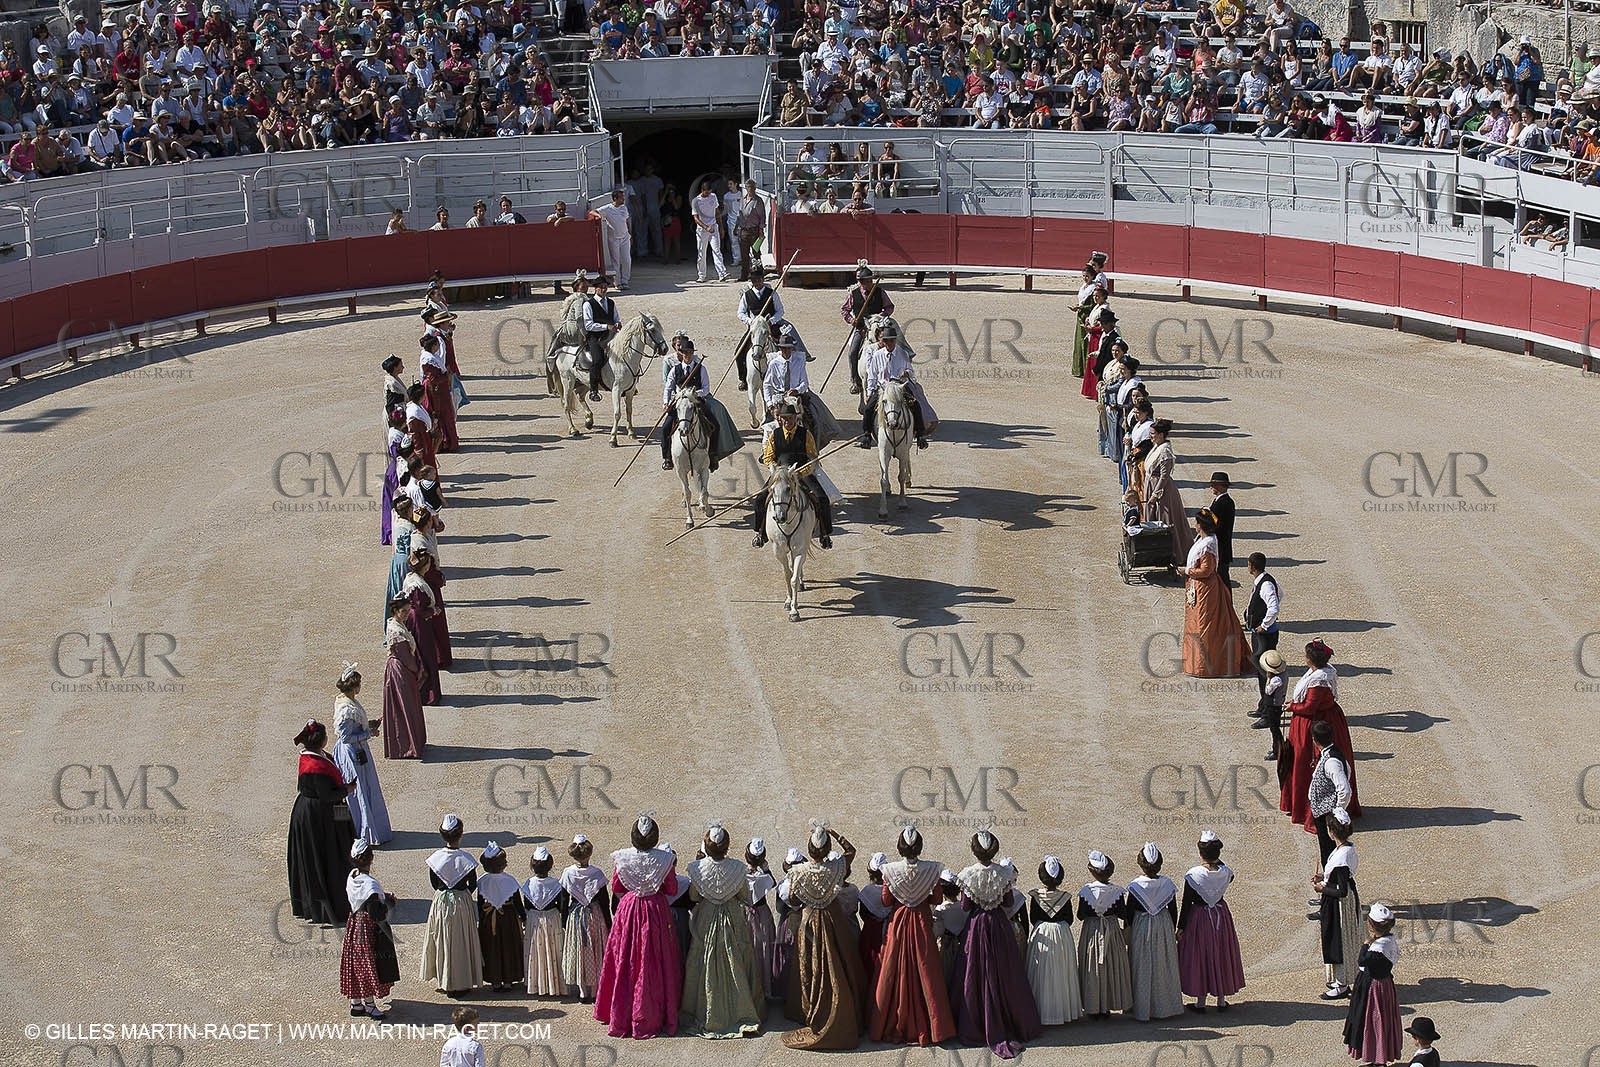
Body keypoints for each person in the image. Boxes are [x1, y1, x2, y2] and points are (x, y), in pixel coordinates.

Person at [595, 814, 684, 1039]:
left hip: (630, 908)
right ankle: (653, 1013)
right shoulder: (665, 859)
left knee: (625, 957)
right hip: (655, 909)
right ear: (655, 838)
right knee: (655, 960)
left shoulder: (623, 858)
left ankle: (621, 1013)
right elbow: (672, 888)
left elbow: (617, 885)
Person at [953, 832, 1041, 1059]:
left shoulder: (967, 874)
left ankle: (977, 1023)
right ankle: (1011, 1019)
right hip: (999, 926)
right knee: (1005, 973)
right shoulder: (1004, 873)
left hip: (977, 926)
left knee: (976, 973)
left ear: (975, 851)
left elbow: (964, 906)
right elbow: (1009, 901)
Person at [870, 826, 956, 1046]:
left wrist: (904, 897)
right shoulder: (932, 869)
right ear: (919, 846)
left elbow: (886, 901)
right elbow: (937, 898)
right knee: (926, 969)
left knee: (894, 968)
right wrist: (920, 897)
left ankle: (889, 1021)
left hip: (899, 921)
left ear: (900, 847)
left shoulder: (889, 870)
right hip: (921, 920)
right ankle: (932, 1025)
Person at [782, 824, 865, 1050]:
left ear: (809, 849)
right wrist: (835, 833)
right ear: (828, 849)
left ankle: (811, 1010)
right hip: (833, 918)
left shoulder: (798, 872)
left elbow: (793, 898)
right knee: (839, 960)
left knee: (809, 964)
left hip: (809, 920)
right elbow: (851, 852)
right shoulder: (837, 866)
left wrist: (811, 897)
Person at [681, 822, 765, 1038]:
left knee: (703, 960)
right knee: (734, 957)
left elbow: (693, 896)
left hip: (707, 917)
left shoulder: (697, 868)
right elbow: (744, 896)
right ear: (726, 846)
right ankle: (740, 1007)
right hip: (731, 917)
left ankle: (704, 1010)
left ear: (707, 848)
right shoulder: (738, 868)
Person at [1280, 639, 1362, 832]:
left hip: (1314, 723)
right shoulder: (1321, 672)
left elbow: (1310, 707)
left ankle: (1309, 809)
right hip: (1325, 718)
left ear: (1310, 659)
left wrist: (1292, 706)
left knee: (1306, 762)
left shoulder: (1320, 681)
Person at [288, 719, 355, 925]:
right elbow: (326, 794)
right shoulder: (313, 765)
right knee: (327, 856)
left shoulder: (317, 757)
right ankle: (328, 907)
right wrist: (347, 789)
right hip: (318, 816)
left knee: (336, 852)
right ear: (322, 741)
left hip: (324, 811)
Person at [1179, 510, 1254, 678]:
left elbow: (1207, 570)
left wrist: (1186, 571)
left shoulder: (1208, 545)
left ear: (1200, 525)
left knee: (1205, 626)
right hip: (1199, 587)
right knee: (1197, 624)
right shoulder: (1204, 540)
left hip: (1206, 590)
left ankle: (1206, 665)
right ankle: (1197, 663)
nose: (1195, 524)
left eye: (1196, 522)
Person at [751, 397, 833, 549]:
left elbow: (813, 457)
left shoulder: (805, 434)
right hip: (780, 474)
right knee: (760, 499)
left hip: (802, 473)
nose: (787, 421)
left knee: (822, 498)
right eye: (784, 418)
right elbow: (768, 457)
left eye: (790, 418)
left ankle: (825, 534)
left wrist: (800, 473)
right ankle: (760, 533)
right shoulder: (774, 435)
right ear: (780, 420)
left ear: (795, 418)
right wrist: (776, 471)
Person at [1177, 831, 1245, 1014]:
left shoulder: (1193, 875)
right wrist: (1216, 860)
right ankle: (1221, 1000)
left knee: (1201, 955)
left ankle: (1200, 1002)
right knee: (1221, 952)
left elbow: (1186, 903)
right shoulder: (1225, 873)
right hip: (1220, 916)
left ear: (1200, 853)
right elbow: (1228, 873)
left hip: (1199, 918)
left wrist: (1180, 927)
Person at [421, 814, 484, 997]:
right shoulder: (467, 859)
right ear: (461, 835)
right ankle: (461, 981)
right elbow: (472, 884)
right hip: (461, 902)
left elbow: (434, 883)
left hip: (441, 902)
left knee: (443, 939)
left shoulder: (435, 859)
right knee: (461, 941)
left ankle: (445, 979)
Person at [331, 664, 390, 846]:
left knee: (364, 788)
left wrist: (368, 725)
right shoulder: (346, 709)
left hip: (357, 751)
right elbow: (346, 737)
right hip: (352, 755)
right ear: (354, 686)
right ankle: (362, 829)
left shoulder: (348, 701)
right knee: (359, 791)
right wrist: (369, 734)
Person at [1126, 843, 1183, 1021]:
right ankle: (1165, 1007)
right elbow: (1173, 909)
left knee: (1141, 964)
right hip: (1162, 924)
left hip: (1142, 925)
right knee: (1163, 964)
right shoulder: (1166, 884)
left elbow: (1129, 910)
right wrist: (1172, 929)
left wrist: (1128, 928)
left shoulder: (1135, 885)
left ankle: (1142, 1008)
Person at [341, 840, 398, 1019]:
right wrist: (389, 902)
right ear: (371, 859)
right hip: (367, 928)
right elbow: (376, 913)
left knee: (355, 963)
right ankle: (370, 1005)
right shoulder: (371, 884)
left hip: (354, 922)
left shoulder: (352, 876)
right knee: (367, 964)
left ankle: (356, 1002)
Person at [1024, 856, 1083, 1026]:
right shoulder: (1065, 897)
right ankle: (1062, 1011)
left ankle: (1041, 1011)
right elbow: (1070, 919)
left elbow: (1033, 918)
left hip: (1042, 933)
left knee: (1041, 972)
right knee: (1061, 970)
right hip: (1061, 933)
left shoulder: (1035, 897)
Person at [1343, 903, 1402, 1066]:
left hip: (1373, 987)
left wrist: (1365, 944)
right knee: (1383, 1020)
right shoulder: (1389, 940)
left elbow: (1362, 960)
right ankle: (1381, 1055)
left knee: (1373, 1020)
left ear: (1370, 924)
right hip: (1385, 984)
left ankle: (1377, 1058)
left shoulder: (1376, 947)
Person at [1076, 850, 1131, 1018]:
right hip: (1111, 929)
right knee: (1111, 965)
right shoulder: (1117, 891)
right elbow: (1123, 914)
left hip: (1092, 931)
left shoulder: (1086, 891)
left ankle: (1094, 1007)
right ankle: (1107, 1006)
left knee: (1093, 966)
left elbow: (1080, 915)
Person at [659, 333, 724, 472]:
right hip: (679, 403)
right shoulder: (674, 370)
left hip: (696, 402)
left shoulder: (701, 368)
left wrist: (695, 394)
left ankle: (712, 455)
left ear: (692, 353)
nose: (686, 355)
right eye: (684, 352)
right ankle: (667, 458)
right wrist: (666, 402)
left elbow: (706, 389)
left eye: (689, 352)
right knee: (665, 428)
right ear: (681, 353)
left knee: (715, 425)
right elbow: (668, 387)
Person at [859, 319, 928, 449]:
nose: (889, 343)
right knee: (868, 409)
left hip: (899, 387)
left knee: (916, 405)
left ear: (895, 340)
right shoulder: (877, 355)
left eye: (891, 340)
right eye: (886, 341)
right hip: (883, 388)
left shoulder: (903, 354)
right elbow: (872, 376)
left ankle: (920, 435)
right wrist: (869, 392)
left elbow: (911, 373)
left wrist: (907, 373)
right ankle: (867, 435)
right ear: (882, 342)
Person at [1314, 808, 1360, 1000]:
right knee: (1339, 941)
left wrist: (1322, 888)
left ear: (1332, 832)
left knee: (1337, 942)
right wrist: (1324, 877)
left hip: (1338, 905)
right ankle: (1340, 980)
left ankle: (1341, 984)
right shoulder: (1346, 849)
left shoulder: (1341, 857)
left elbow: (1340, 890)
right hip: (1343, 899)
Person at [561, 834, 611, 1001]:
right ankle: (595, 989)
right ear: (589, 854)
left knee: (580, 949)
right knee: (596, 948)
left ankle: (582, 991)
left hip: (576, 916)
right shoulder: (597, 873)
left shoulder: (567, 873)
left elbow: (563, 899)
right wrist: (609, 922)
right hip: (594, 915)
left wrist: (564, 920)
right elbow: (604, 900)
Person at [478, 840, 526, 992]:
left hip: (489, 918)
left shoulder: (483, 881)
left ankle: (495, 980)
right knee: (508, 947)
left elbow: (480, 903)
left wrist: (480, 920)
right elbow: (518, 902)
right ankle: (508, 980)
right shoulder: (510, 880)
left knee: (492, 948)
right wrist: (524, 918)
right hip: (508, 919)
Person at [1143, 419, 1194, 563]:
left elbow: (1164, 476)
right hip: (1151, 485)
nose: (1150, 436)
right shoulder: (1157, 446)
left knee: (1165, 522)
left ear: (1161, 434)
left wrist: (1155, 494)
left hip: (1162, 491)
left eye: (1153, 434)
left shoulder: (1165, 451)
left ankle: (1174, 554)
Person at [381, 595, 426, 758]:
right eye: (403, 611)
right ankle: (406, 746)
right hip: (400, 670)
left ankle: (412, 742)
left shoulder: (397, 624)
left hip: (401, 668)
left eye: (408, 610)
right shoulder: (396, 631)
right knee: (404, 706)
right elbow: (405, 657)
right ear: (395, 611)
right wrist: (417, 670)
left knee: (407, 705)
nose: (407, 614)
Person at [1308, 720, 1357, 865]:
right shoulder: (1332, 753)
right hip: (1324, 810)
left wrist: (1337, 811)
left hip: (1326, 814)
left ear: (1314, 740)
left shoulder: (1331, 761)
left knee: (1328, 852)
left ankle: (1329, 882)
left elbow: (1345, 790)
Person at [522, 845, 568, 996]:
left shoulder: (528, 884)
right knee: (553, 951)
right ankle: (554, 984)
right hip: (551, 918)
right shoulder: (556, 884)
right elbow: (562, 905)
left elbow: (527, 905)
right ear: (550, 865)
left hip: (534, 919)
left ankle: (536, 984)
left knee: (535, 952)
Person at [842, 264, 893, 394]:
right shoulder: (853, 294)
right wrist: (851, 320)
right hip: (862, 329)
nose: (869, 283)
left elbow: (889, 307)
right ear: (861, 282)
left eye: (870, 280)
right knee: (852, 352)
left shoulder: (880, 292)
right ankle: (855, 381)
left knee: (894, 342)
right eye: (866, 281)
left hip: (878, 328)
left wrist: (880, 316)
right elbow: (845, 310)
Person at [736, 266, 785, 390]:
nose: (757, 283)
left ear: (763, 279)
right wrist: (750, 321)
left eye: (759, 280)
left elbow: (780, 310)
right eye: (754, 281)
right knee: (739, 352)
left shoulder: (772, 293)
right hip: (754, 328)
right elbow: (740, 313)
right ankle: (743, 379)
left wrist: (771, 321)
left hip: (770, 327)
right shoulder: (747, 295)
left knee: (787, 345)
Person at [743, 839, 780, 1002]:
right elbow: (773, 883)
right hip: (762, 914)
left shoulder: (740, 873)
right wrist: (765, 867)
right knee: (764, 948)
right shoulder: (764, 877)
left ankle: (748, 987)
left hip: (745, 914)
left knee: (747, 947)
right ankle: (766, 987)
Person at [1244, 553, 1281, 696]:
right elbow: (1280, 595)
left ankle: (1266, 705)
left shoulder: (1265, 584)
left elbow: (1274, 608)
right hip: (1261, 632)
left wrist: (1264, 625)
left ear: (1251, 566)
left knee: (1264, 669)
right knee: (1261, 667)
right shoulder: (1266, 580)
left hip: (1264, 634)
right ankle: (1264, 704)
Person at [582, 274, 620, 402]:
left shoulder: (611, 302)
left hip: (611, 336)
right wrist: (606, 326)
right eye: (601, 287)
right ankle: (593, 389)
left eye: (605, 287)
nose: (604, 290)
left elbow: (616, 318)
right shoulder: (588, 304)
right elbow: (589, 325)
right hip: (596, 338)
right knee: (597, 359)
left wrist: (618, 323)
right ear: (596, 289)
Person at [857, 852, 890, 989]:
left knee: (868, 958)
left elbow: (862, 913)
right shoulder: (890, 891)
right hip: (887, 928)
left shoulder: (867, 891)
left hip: (870, 930)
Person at [591, 187, 633, 290]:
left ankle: (625, 281)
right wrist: (600, 216)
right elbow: (592, 211)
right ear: (615, 199)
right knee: (616, 261)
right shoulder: (608, 208)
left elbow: (627, 221)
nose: (623, 200)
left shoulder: (624, 208)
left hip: (625, 237)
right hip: (613, 238)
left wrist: (630, 234)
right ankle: (617, 282)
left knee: (627, 259)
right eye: (621, 198)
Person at [1253, 648, 1290, 762]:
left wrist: (1268, 679)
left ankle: (1277, 750)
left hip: (1273, 706)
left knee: (1275, 729)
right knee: (1275, 728)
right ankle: (1277, 749)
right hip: (1277, 704)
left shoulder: (1276, 680)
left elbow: (1268, 691)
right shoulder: (1283, 675)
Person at [692, 179, 729, 283]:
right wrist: (705, 227)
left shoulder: (713, 196)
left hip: (713, 227)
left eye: (709, 192)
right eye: (706, 192)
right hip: (702, 230)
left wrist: (721, 227)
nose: (708, 194)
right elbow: (696, 218)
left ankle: (722, 273)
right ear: (702, 190)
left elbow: (717, 212)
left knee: (717, 250)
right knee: (701, 253)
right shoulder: (696, 201)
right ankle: (702, 275)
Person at [733, 179, 767, 281]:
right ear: (746, 188)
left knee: (756, 253)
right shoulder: (742, 200)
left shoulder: (758, 200)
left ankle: (759, 273)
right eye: (749, 187)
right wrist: (736, 227)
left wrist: (761, 230)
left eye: (752, 187)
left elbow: (762, 216)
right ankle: (744, 275)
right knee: (744, 255)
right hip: (743, 230)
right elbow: (739, 215)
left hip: (754, 230)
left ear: (755, 188)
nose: (751, 189)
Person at [1208, 472, 1236, 584]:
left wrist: (1205, 514)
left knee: (1222, 578)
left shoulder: (1224, 502)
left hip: (1221, 546)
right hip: (1219, 545)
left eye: (1213, 485)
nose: (1211, 487)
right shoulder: (1219, 500)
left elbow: (1215, 522)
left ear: (1220, 486)